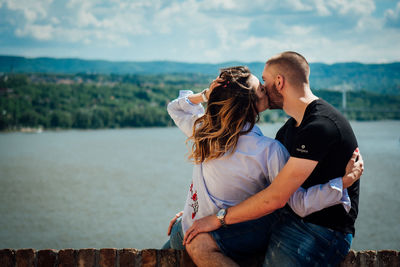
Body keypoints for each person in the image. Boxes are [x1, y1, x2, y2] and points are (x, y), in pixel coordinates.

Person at [164, 65, 362, 265]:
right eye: (260, 87)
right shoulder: (268, 150)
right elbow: (299, 204)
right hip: (214, 231)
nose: (266, 88)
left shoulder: (206, 132)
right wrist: (342, 183)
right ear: (249, 104)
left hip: (190, 228)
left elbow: (175, 107)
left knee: (169, 249)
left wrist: (207, 95)